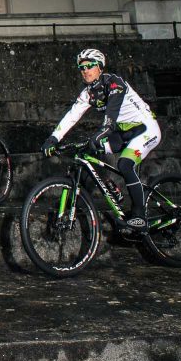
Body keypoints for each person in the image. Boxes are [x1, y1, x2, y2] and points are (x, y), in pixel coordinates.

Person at [42, 48, 161, 235]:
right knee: (85, 154)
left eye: (89, 66)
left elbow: (111, 116)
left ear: (99, 67)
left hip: (145, 129)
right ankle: (111, 187)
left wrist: (100, 134)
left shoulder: (114, 83)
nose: (85, 70)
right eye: (81, 67)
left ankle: (139, 216)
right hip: (123, 132)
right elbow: (71, 116)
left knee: (125, 163)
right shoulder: (88, 93)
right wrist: (53, 138)